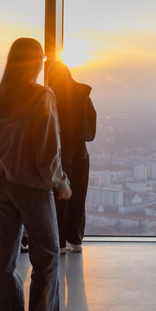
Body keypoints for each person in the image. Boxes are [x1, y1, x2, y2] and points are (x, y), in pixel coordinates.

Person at [0, 38, 70, 311]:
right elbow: (47, 149)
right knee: (46, 257)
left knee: (3, 258)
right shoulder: (42, 96)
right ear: (35, 63)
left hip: (2, 183)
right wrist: (59, 181)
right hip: (32, 186)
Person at [48, 61, 96, 254]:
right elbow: (91, 126)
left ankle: (59, 243)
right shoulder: (83, 94)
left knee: (60, 197)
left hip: (61, 151)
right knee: (78, 196)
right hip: (81, 151)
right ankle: (76, 241)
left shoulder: (51, 94)